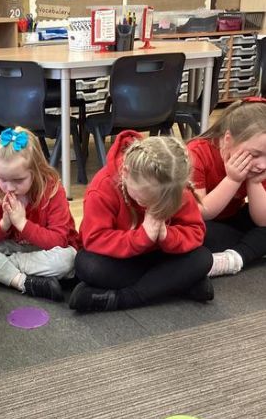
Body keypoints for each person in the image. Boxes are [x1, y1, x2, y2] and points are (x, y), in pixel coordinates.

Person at [70, 130, 214, 313]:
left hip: (160, 255)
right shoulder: (102, 188)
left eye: (161, 204)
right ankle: (177, 285)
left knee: (202, 258)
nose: (150, 208)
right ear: (125, 172)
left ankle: (123, 298)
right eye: (143, 201)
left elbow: (195, 231)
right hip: (122, 260)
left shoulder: (174, 186)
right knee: (86, 265)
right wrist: (141, 237)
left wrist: (166, 235)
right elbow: (94, 239)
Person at [0, 127, 79, 301]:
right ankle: (22, 281)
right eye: (3, 179)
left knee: (68, 260)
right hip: (16, 247)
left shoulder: (53, 191)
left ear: (36, 172)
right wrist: (4, 223)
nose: (10, 187)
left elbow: (59, 241)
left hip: (47, 251)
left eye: (19, 180)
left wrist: (22, 224)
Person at [187, 98, 266, 277]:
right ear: (228, 139)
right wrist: (233, 180)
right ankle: (247, 249)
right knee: (197, 235)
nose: (262, 164)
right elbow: (198, 213)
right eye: (255, 154)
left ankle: (234, 258)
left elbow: (263, 221)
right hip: (201, 222)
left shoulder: (260, 166)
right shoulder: (197, 153)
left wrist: (253, 182)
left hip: (232, 219)